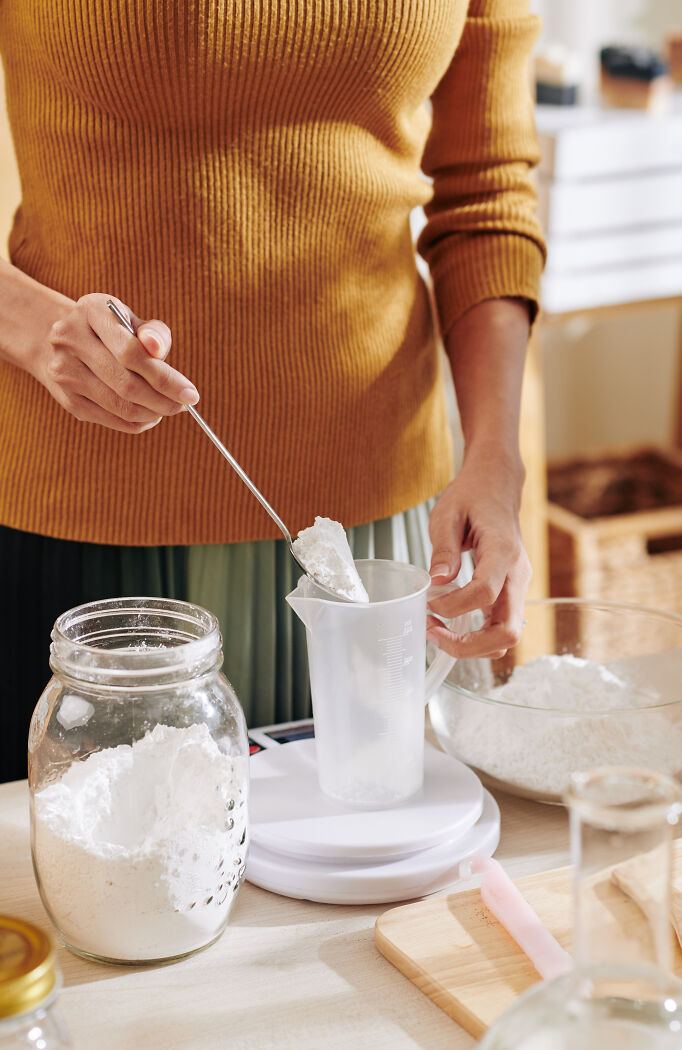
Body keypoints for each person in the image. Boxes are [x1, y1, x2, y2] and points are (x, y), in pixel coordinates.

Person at [0, 0, 546, 782]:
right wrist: (31, 325)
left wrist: (496, 461)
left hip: (383, 531)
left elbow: (487, 198)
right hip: (92, 525)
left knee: (384, 871)